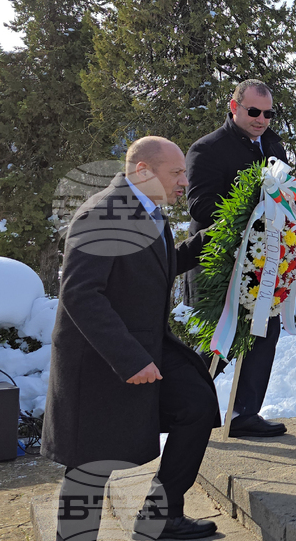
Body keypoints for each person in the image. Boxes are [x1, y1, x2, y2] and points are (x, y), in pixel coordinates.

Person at [42, 137, 219, 540]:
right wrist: (130, 359)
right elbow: (80, 294)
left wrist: (218, 237)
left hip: (147, 342)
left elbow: (159, 265)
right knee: (89, 461)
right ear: (143, 170)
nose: (184, 182)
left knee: (196, 404)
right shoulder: (104, 213)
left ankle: (162, 516)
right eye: (176, 173)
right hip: (100, 357)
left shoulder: (147, 210)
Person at [185, 79, 296, 438]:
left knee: (265, 333)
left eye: (268, 113)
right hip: (222, 262)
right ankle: (181, 405)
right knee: (219, 341)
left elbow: (291, 204)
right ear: (234, 107)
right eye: (254, 112)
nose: (261, 119)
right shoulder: (206, 149)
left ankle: (244, 414)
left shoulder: (274, 145)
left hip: (268, 261)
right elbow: (200, 206)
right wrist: (255, 209)